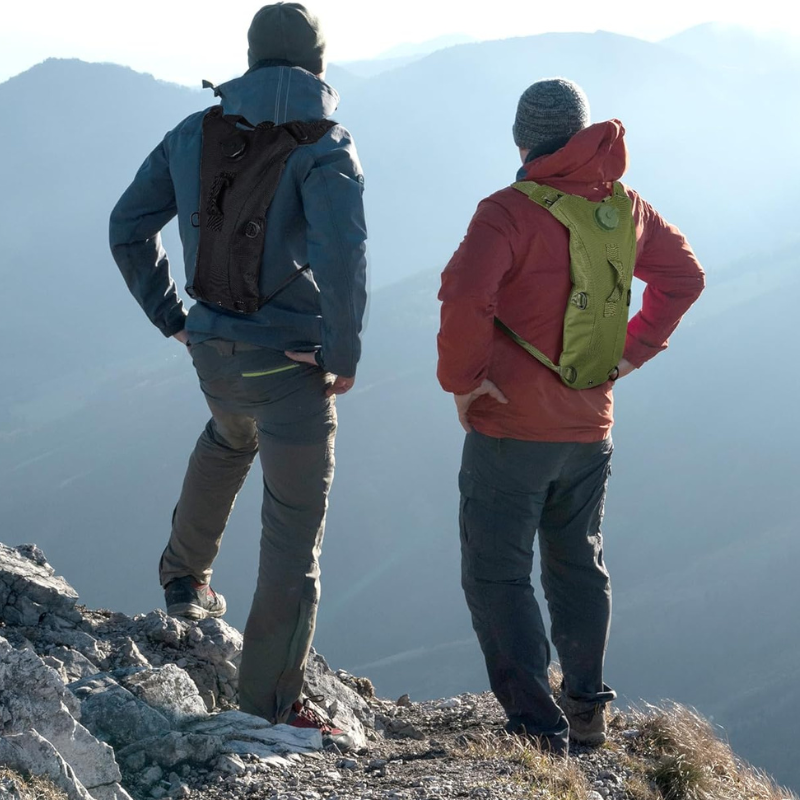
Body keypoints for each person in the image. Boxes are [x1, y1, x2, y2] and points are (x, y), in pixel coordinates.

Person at [109, 2, 367, 750]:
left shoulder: (194, 132)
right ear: (317, 65)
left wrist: (173, 316)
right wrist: (342, 355)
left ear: (250, 60)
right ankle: (267, 709)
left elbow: (128, 226)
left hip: (214, 352)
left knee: (228, 435)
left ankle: (184, 576)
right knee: (292, 538)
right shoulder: (326, 146)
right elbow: (344, 258)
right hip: (290, 363)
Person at [436, 78, 705, 755]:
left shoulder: (506, 212)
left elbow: (465, 295)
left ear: (522, 141)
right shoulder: (623, 208)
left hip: (509, 429)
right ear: (585, 137)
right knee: (577, 565)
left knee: (496, 573)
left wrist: (462, 384)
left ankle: (535, 723)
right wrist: (632, 353)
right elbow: (685, 278)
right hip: (590, 429)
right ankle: (586, 707)